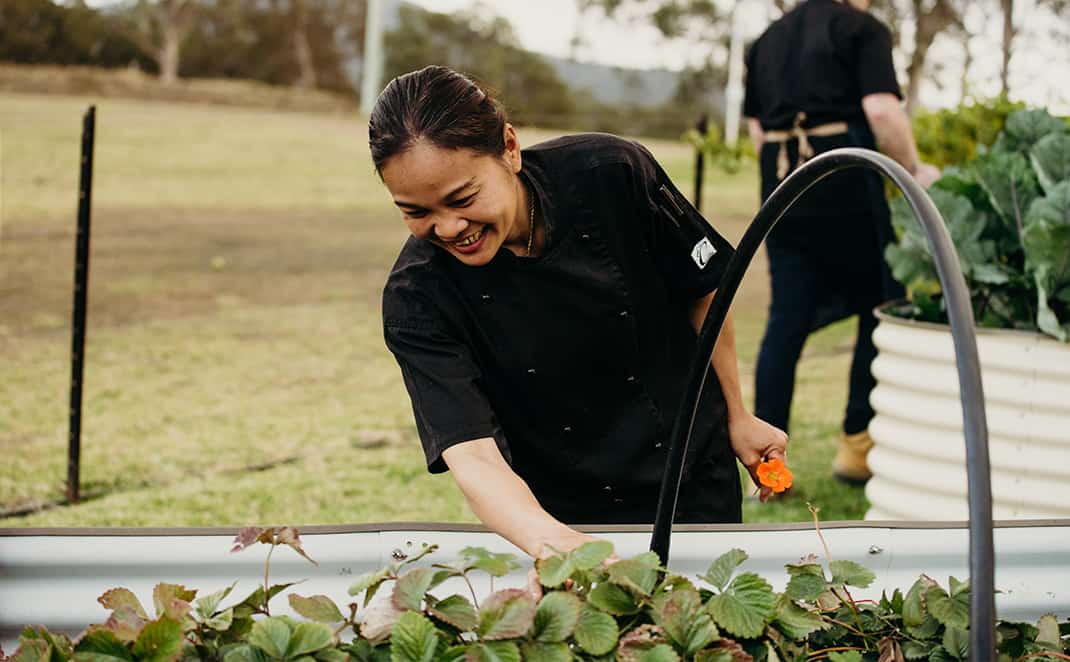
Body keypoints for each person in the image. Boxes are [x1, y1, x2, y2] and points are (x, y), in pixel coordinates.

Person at [372, 65, 788, 559]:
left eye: (462, 198)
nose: (447, 228)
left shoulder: (612, 173)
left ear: (509, 148)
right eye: (416, 212)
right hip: (558, 510)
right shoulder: (416, 298)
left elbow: (703, 291)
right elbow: (474, 455)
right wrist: (560, 545)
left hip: (689, 471)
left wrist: (737, 414)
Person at [743, 0, 940, 485]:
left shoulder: (768, 39)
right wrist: (915, 171)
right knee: (883, 302)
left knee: (785, 319)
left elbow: (755, 130)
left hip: (783, 182)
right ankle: (856, 447)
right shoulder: (862, 28)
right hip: (845, 178)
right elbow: (881, 109)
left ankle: (769, 467)